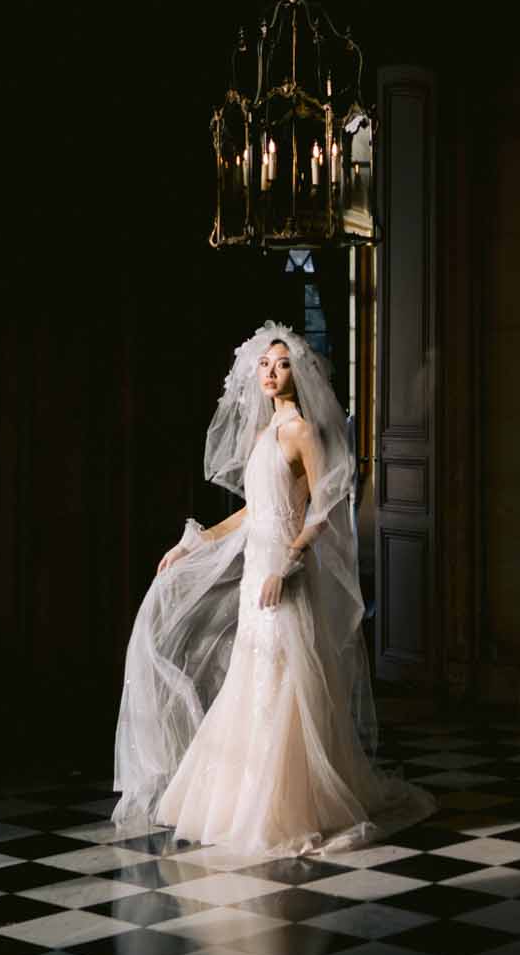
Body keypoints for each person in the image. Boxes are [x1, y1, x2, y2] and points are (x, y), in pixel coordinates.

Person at [111, 323, 435, 857]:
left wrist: (288, 563)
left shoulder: (301, 431)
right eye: (264, 365)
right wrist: (192, 544)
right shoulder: (265, 434)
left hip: (283, 573)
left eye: (281, 364)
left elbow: (328, 506)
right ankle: (240, 801)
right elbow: (249, 512)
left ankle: (286, 808)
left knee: (286, 682)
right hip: (258, 571)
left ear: (298, 372)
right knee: (253, 679)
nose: (270, 373)